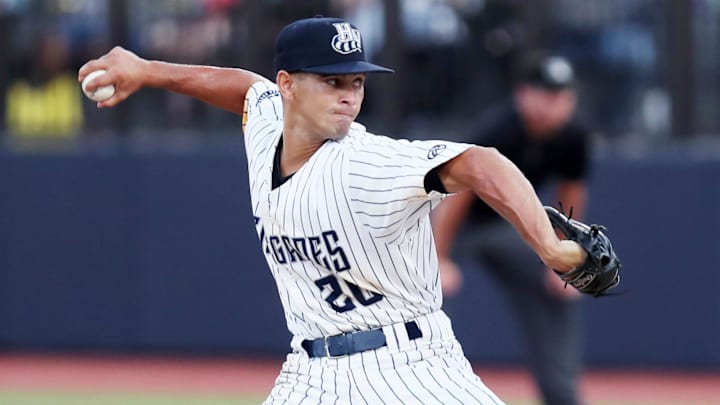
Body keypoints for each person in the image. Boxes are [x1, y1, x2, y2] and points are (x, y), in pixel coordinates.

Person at [79, 16, 586, 404]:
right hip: (309, 372)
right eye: (332, 81)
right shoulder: (265, 126)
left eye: (356, 84)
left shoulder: (368, 163)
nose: (348, 97)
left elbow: (481, 162)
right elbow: (243, 87)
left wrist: (547, 244)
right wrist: (146, 70)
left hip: (411, 366)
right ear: (288, 85)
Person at [432, 53, 589, 405]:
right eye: (546, 94)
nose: (555, 104)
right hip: (456, 225)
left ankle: (562, 395)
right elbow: (454, 198)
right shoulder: (497, 129)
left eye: (562, 96)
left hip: (508, 225)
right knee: (426, 293)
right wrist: (438, 257)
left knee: (559, 287)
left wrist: (562, 255)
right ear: (523, 95)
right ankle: (422, 391)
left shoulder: (573, 136)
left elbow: (571, 192)